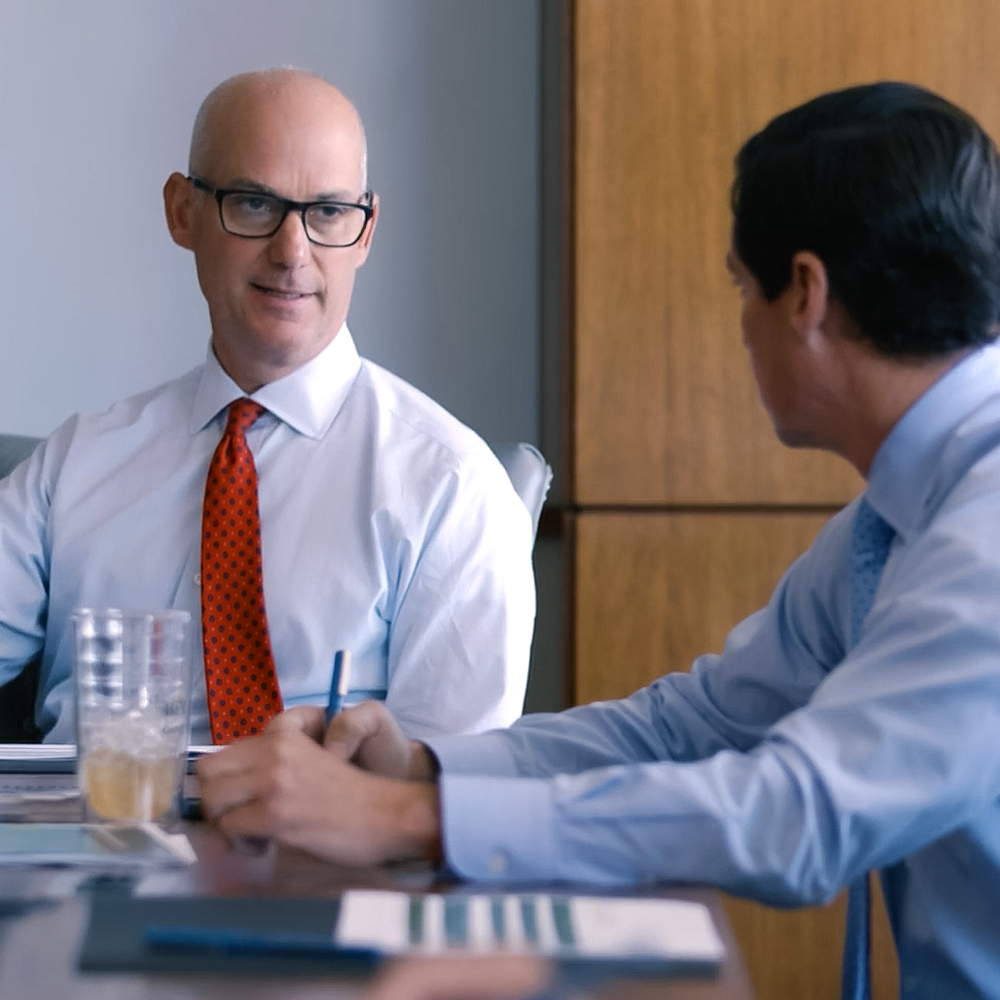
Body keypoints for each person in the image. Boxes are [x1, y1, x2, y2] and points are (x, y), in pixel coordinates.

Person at [200, 82, 1000, 999]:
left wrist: (408, 820)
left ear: (805, 295)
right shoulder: (893, 521)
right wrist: (422, 766)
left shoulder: (985, 534)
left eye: (743, 287)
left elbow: (801, 814)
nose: (740, 327)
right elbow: (696, 727)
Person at [0, 68, 535, 743]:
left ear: (365, 232)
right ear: (182, 213)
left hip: (325, 846)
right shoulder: (76, 465)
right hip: (81, 835)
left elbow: (445, 792)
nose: (292, 251)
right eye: (254, 204)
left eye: (329, 213)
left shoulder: (450, 485)